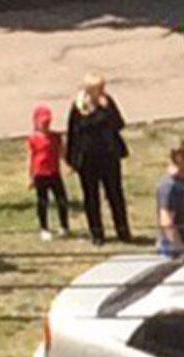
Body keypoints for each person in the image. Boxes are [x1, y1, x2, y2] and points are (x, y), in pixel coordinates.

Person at [66, 73, 131, 245]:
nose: (103, 91)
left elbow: (119, 124)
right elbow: (73, 132)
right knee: (91, 197)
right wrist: (71, 159)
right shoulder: (79, 107)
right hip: (87, 160)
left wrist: (107, 109)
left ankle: (123, 230)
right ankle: (96, 233)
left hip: (108, 155)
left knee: (115, 193)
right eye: (99, 88)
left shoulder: (107, 103)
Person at [26, 105, 69, 241]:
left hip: (54, 172)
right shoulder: (33, 139)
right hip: (40, 174)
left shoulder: (55, 137)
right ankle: (44, 227)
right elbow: (30, 158)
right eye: (43, 122)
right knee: (42, 201)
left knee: (61, 199)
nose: (45, 125)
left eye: (47, 122)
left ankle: (64, 226)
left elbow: (62, 152)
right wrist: (30, 177)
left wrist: (69, 164)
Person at [156, 141, 184, 256]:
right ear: (179, 158)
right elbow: (167, 221)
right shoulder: (170, 186)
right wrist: (180, 248)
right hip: (172, 250)